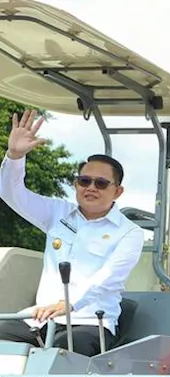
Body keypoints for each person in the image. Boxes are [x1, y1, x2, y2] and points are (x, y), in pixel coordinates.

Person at [0, 110, 143, 356]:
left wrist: (68, 305)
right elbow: (11, 194)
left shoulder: (130, 233)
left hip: (90, 323)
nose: (91, 187)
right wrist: (14, 157)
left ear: (117, 192)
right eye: (84, 181)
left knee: (63, 350)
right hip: (41, 320)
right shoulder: (58, 212)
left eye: (100, 183)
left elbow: (108, 278)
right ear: (76, 184)